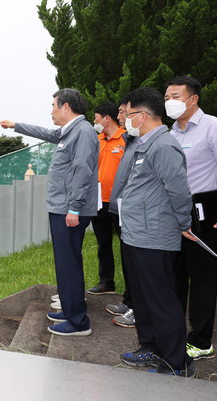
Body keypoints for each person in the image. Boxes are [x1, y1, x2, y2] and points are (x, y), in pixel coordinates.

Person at [0, 88, 99, 337]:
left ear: (66, 107)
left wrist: (74, 207)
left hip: (69, 210)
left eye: (54, 105)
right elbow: (45, 133)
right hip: (63, 208)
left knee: (69, 265)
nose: (51, 110)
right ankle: (70, 308)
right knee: (66, 263)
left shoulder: (83, 132)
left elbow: (83, 172)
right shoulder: (71, 131)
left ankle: (78, 323)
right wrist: (15, 125)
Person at [119, 87, 195, 377]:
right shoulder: (143, 144)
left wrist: (183, 223)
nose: (125, 119)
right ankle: (150, 348)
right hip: (135, 235)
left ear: (143, 116)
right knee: (142, 299)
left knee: (161, 300)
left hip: (154, 237)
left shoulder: (163, 145)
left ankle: (176, 362)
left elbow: (179, 190)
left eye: (128, 114)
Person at [165, 76, 217, 360]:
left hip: (206, 213)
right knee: (174, 277)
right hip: (174, 214)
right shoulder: (170, 134)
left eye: (175, 96)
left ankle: (200, 341)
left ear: (193, 99)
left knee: (202, 279)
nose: (169, 102)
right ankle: (172, 334)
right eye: (166, 98)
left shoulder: (215, 128)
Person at [104, 96, 137, 328]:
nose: (119, 116)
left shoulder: (139, 141)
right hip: (120, 208)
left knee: (137, 261)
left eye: (123, 112)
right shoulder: (131, 139)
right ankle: (129, 300)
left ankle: (138, 306)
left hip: (134, 211)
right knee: (128, 258)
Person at [87, 103, 125, 296]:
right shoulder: (97, 141)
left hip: (121, 202)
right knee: (103, 243)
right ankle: (106, 282)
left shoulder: (127, 138)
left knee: (127, 245)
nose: (94, 122)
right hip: (99, 201)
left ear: (106, 119)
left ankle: (133, 288)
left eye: (95, 118)